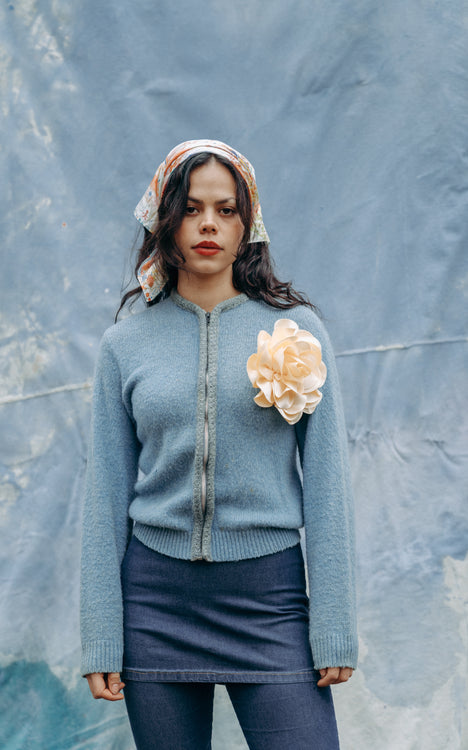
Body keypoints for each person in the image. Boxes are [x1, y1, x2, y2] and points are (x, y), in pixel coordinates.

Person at [80, 139, 357, 750]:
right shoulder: (125, 344)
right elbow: (104, 495)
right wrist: (101, 632)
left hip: (270, 600)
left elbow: (328, 482)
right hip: (155, 604)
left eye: (225, 210)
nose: (208, 224)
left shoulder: (297, 331)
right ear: (164, 220)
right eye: (191, 208)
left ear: (246, 223)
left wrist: (334, 620)